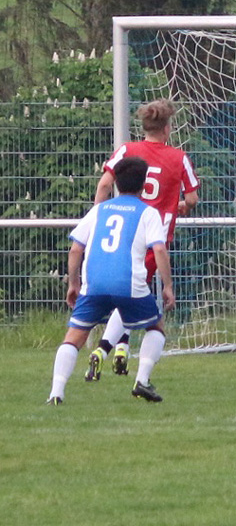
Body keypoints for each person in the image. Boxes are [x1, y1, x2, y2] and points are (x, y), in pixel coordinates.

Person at [85, 99, 200, 381]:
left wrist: (98, 218)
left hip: (123, 233)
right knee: (135, 301)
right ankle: (105, 349)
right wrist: (180, 206)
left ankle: (110, 348)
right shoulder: (178, 157)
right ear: (168, 128)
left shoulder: (127, 149)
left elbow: (103, 184)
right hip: (152, 238)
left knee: (128, 297)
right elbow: (192, 198)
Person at [47, 157, 175, 405]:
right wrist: (167, 285)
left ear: (115, 182)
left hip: (94, 284)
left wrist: (74, 283)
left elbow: (75, 250)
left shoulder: (98, 210)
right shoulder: (148, 213)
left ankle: (56, 393)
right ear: (144, 183)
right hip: (129, 284)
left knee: (74, 337)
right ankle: (142, 381)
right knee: (156, 328)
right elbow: (159, 249)